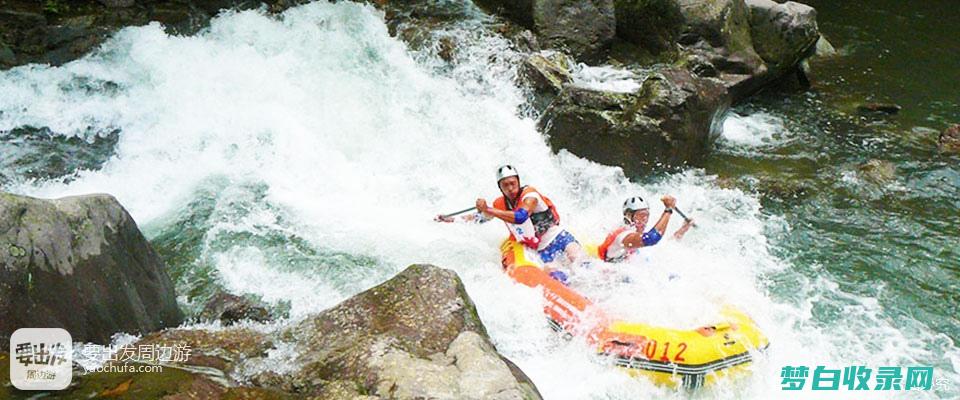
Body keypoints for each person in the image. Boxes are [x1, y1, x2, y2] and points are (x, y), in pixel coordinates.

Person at [437, 165, 585, 279]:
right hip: (538, 250)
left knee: (580, 263)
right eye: (505, 185)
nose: (510, 188)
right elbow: (479, 218)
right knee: (558, 276)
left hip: (559, 238)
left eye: (513, 183)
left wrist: (488, 208)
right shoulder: (499, 203)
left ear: (518, 182)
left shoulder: (530, 196)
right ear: (499, 187)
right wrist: (451, 219)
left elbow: (521, 217)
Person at [597, 195, 694, 263]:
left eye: (646, 215)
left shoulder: (635, 235)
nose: (644, 220)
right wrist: (668, 210)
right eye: (641, 215)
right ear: (628, 215)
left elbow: (664, 246)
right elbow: (651, 238)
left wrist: (683, 229)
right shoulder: (624, 236)